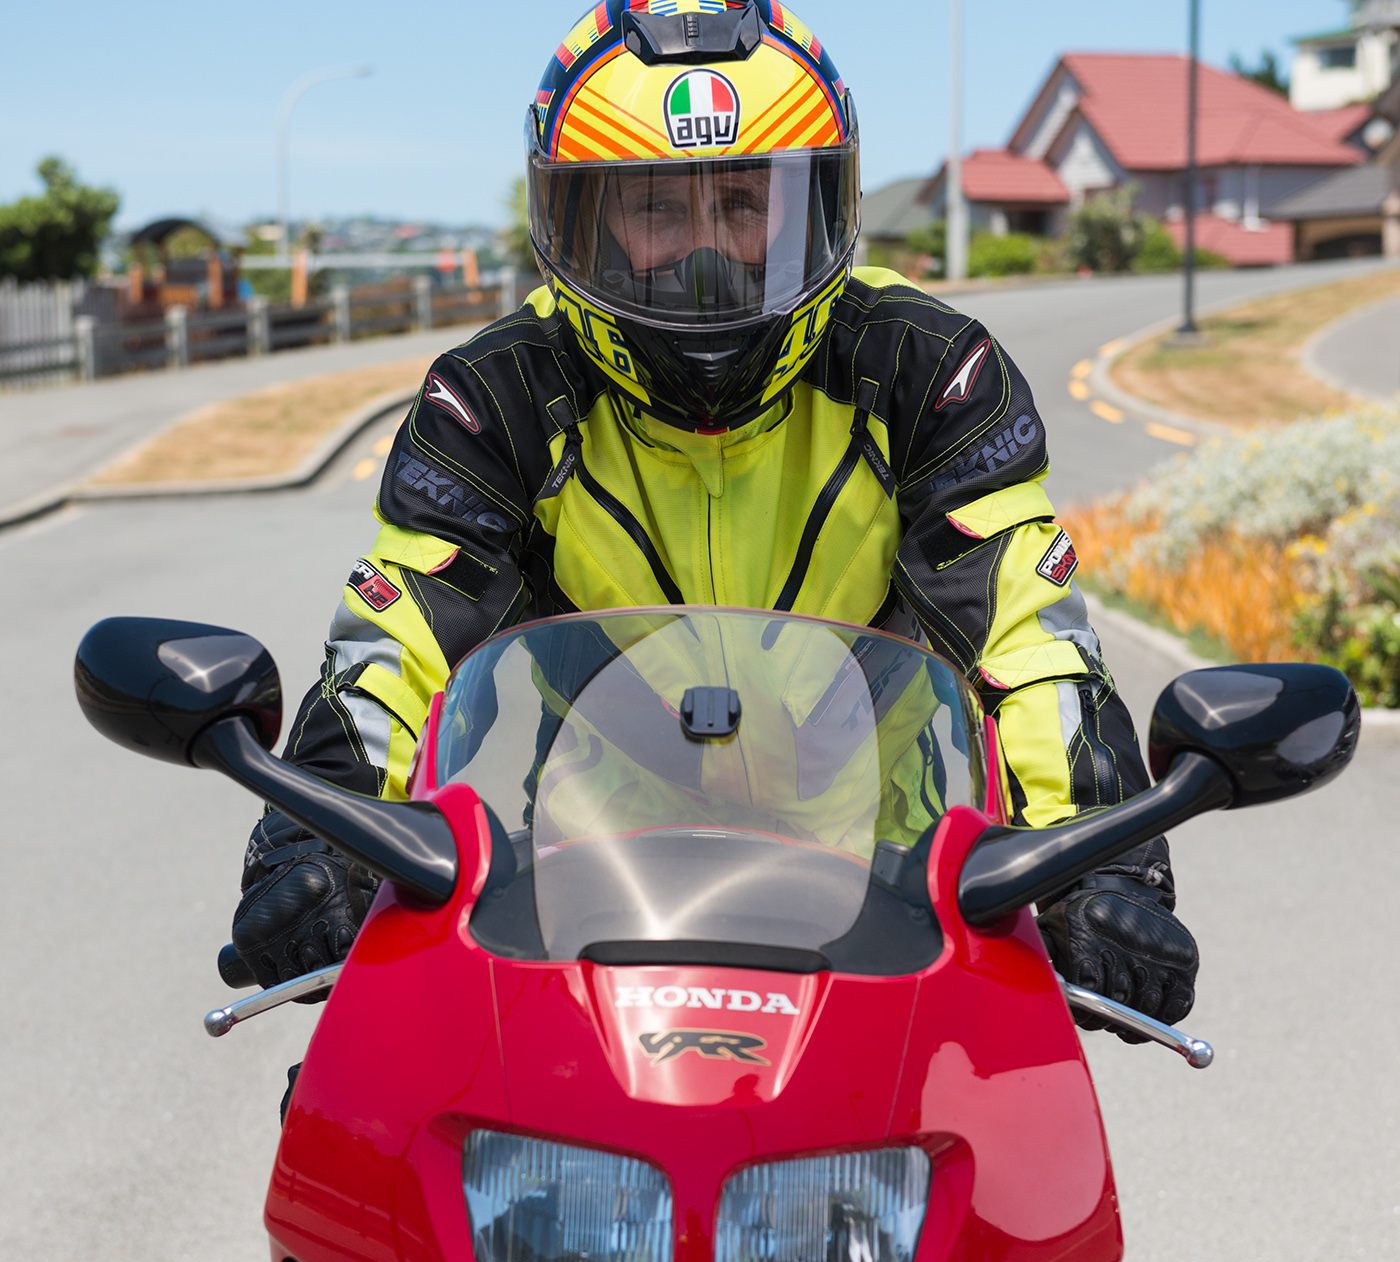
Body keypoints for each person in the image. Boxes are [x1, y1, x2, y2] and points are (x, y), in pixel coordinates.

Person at [229, 0, 1198, 1039]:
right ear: (580, 225)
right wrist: (312, 837)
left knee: (1016, 1181)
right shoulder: (495, 397)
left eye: (744, 205)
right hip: (579, 899)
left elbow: (1029, 632)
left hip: (901, 900)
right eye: (656, 210)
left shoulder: (928, 373)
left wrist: (1099, 857)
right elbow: (398, 635)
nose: (708, 256)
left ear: (816, 207)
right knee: (375, 1139)